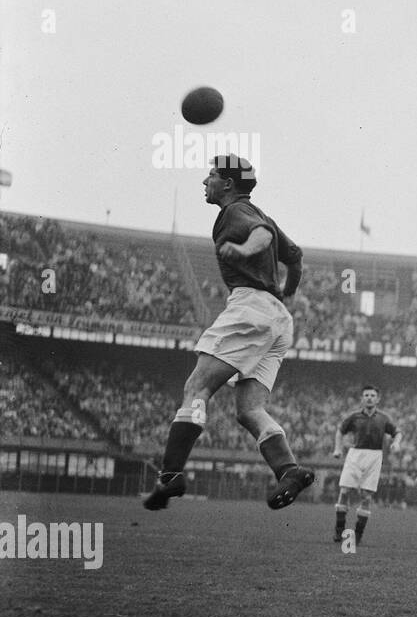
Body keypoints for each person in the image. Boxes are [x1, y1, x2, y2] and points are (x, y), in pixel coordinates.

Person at [143, 156, 314, 511]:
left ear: (228, 184)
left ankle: (170, 476)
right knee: (250, 409)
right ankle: (289, 470)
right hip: (277, 318)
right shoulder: (261, 213)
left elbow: (262, 237)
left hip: (251, 306)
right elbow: (295, 256)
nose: (205, 181)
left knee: (196, 388)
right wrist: (287, 292)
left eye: (211, 175)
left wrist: (243, 249)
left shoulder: (234, 211)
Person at [331, 385, 401, 545]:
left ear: (378, 399)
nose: (369, 397)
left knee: (366, 495)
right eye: (366, 395)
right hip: (356, 454)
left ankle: (357, 535)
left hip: (375, 456)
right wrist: (337, 448)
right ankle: (339, 531)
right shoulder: (354, 417)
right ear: (362, 399)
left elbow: (398, 432)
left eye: (372, 395)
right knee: (345, 491)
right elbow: (340, 431)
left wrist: (396, 443)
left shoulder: (384, 418)